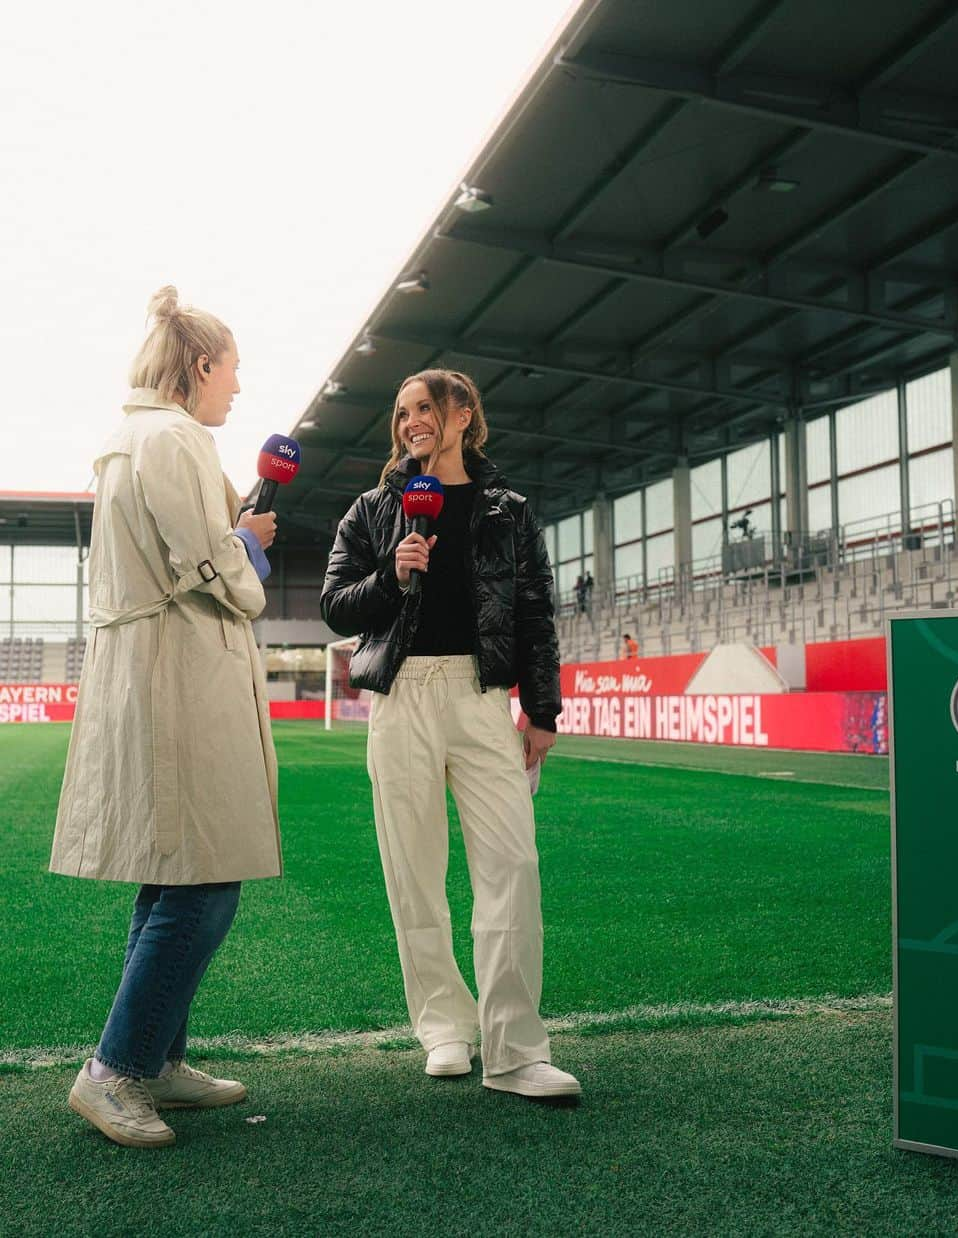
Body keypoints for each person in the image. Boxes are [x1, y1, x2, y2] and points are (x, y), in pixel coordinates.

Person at [50, 287, 281, 1148]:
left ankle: (157, 1054)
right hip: (179, 667)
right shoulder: (178, 436)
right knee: (205, 878)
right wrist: (249, 543)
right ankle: (114, 1072)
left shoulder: (125, 438)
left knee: (172, 870)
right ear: (199, 367)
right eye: (231, 372)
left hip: (149, 665)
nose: (236, 391)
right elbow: (213, 570)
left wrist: (231, 539)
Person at [321, 368, 580, 1099]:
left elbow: (536, 613)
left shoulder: (509, 510)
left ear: (464, 414)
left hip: (480, 695)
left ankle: (516, 1051)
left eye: (425, 408)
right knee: (414, 874)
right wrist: (391, 575)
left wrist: (544, 711)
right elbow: (337, 606)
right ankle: (443, 1029)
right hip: (400, 698)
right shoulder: (374, 510)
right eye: (402, 413)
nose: (411, 423)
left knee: (513, 868)